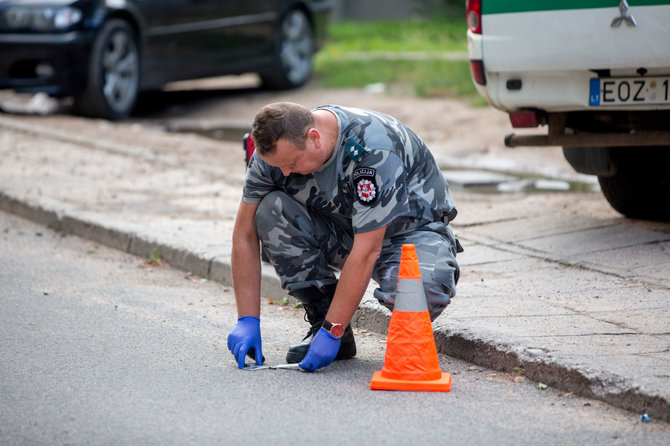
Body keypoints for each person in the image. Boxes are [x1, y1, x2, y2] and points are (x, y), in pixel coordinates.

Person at [227, 102, 462, 372]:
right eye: (279, 167)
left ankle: (334, 329)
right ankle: (325, 317)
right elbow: (244, 235)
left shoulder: (372, 149)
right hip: (345, 229)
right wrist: (247, 319)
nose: (285, 173)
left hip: (409, 234)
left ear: (313, 138)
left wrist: (332, 330)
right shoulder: (276, 156)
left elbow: (367, 250)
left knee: (421, 294)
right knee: (270, 210)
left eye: (292, 164)